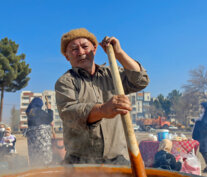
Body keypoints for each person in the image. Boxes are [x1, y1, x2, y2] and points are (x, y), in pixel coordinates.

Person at [55, 28, 149, 164]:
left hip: (117, 159)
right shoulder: (66, 82)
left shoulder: (112, 74)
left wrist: (119, 53)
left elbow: (141, 80)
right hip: (80, 162)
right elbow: (69, 113)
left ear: (94, 49)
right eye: (74, 49)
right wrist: (102, 110)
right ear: (67, 56)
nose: (81, 52)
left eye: (85, 46)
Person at [25, 97, 53, 166]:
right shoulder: (38, 111)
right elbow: (49, 118)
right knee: (44, 157)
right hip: (41, 137)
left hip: (32, 138)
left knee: (34, 155)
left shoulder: (29, 112)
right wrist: (49, 109)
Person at [192, 102, 207, 173]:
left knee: (204, 150)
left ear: (206, 107)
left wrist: (197, 122)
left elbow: (204, 123)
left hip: (206, 135)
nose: (202, 108)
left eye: (202, 107)